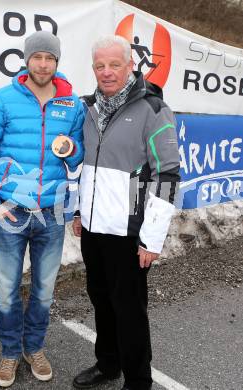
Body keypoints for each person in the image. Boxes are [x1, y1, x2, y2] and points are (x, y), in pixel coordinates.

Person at [0, 30, 84, 388]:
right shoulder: (3, 99)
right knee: (6, 289)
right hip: (11, 212)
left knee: (44, 290)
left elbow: (80, 152)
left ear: (57, 62)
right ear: (27, 59)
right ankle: (9, 353)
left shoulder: (71, 103)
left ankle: (33, 348)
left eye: (50, 58)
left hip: (51, 214)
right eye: (37, 57)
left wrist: (72, 150)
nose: (43, 63)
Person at [72, 35, 180, 390]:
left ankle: (138, 380)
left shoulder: (153, 110)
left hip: (129, 233)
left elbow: (167, 174)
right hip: (92, 229)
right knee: (101, 301)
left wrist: (151, 238)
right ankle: (108, 364)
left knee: (130, 311)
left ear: (130, 66)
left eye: (114, 65)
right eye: (100, 66)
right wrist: (78, 213)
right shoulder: (87, 108)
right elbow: (86, 168)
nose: (106, 72)